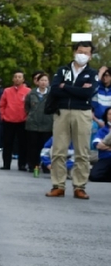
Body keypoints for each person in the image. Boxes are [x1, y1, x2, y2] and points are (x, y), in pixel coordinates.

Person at [47, 40, 104, 199]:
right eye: (80, 52)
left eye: (86, 53)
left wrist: (66, 87)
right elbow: (55, 90)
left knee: (82, 151)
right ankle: (58, 185)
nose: (82, 55)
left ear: (90, 56)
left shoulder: (92, 73)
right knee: (58, 150)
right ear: (74, 52)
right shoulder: (62, 70)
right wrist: (77, 89)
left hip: (83, 113)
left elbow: (88, 93)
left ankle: (79, 186)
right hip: (62, 112)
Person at [0, 70, 30, 171]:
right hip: (8, 120)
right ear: (13, 79)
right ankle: (6, 164)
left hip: (23, 120)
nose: (17, 79)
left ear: (23, 79)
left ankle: (22, 164)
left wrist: (28, 117)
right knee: (7, 143)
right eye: (15, 77)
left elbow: (30, 106)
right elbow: (2, 105)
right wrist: (3, 116)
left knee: (23, 144)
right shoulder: (7, 91)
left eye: (20, 77)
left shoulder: (28, 91)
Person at [24, 71, 52, 177]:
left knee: (46, 146)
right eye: (41, 80)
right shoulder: (31, 93)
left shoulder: (52, 94)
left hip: (48, 124)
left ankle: (46, 166)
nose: (43, 82)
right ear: (37, 82)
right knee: (32, 146)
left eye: (45, 80)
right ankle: (32, 165)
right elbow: (27, 107)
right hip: (33, 124)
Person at [89, 108, 111, 182]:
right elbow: (98, 145)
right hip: (105, 158)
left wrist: (105, 145)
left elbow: (102, 144)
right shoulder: (102, 130)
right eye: (110, 114)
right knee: (94, 176)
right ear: (106, 116)